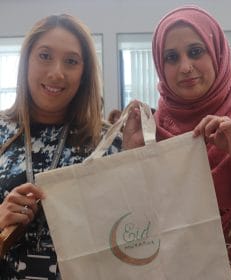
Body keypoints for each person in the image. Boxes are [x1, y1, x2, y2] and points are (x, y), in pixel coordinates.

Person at [0, 14, 137, 279]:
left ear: (84, 73)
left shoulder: (109, 144)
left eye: (71, 61)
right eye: (44, 56)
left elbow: (132, 230)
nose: (56, 72)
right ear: (26, 61)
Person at [149, 5, 231, 279]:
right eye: (171, 57)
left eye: (196, 51)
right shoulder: (150, 131)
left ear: (218, 53)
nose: (185, 67)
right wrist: (132, 154)